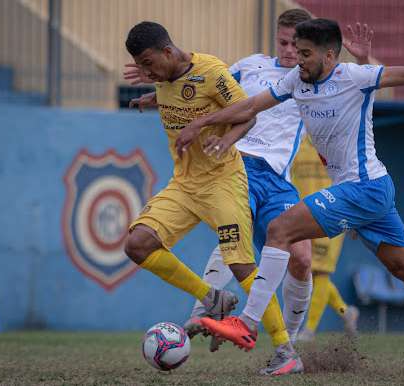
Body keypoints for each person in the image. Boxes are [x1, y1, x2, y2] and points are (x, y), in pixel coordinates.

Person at [177, 18, 404, 376]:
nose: (297, 59)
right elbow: (250, 107)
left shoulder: (355, 76)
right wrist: (199, 123)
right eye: (293, 49)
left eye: (305, 53)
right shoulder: (296, 80)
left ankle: (247, 323)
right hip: (369, 191)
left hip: (364, 187)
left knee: (280, 229)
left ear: (330, 54)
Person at [125, 10, 376, 375]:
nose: (290, 51)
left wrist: (364, 59)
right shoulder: (249, 67)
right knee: (221, 248)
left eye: (298, 45)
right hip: (225, 169)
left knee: (299, 260)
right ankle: (211, 307)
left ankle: (285, 341)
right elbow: (197, 87)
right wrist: (154, 94)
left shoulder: (313, 78)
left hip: (266, 175)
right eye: (284, 42)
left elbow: (361, 90)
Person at [122, 22, 293, 373]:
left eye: (149, 63)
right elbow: (179, 98)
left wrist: (225, 140)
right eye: (141, 66)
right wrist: (151, 97)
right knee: (137, 244)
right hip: (184, 184)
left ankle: (285, 350)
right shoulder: (163, 77)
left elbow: (248, 114)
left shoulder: (211, 72)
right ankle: (212, 297)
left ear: (168, 52)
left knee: (241, 264)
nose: (147, 71)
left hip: (222, 182)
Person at [291, 136, 359, 342]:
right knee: (307, 271)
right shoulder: (295, 137)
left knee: (319, 271)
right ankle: (346, 312)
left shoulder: (335, 138)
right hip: (300, 213)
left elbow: (352, 177)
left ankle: (309, 330)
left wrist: (355, 215)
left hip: (331, 212)